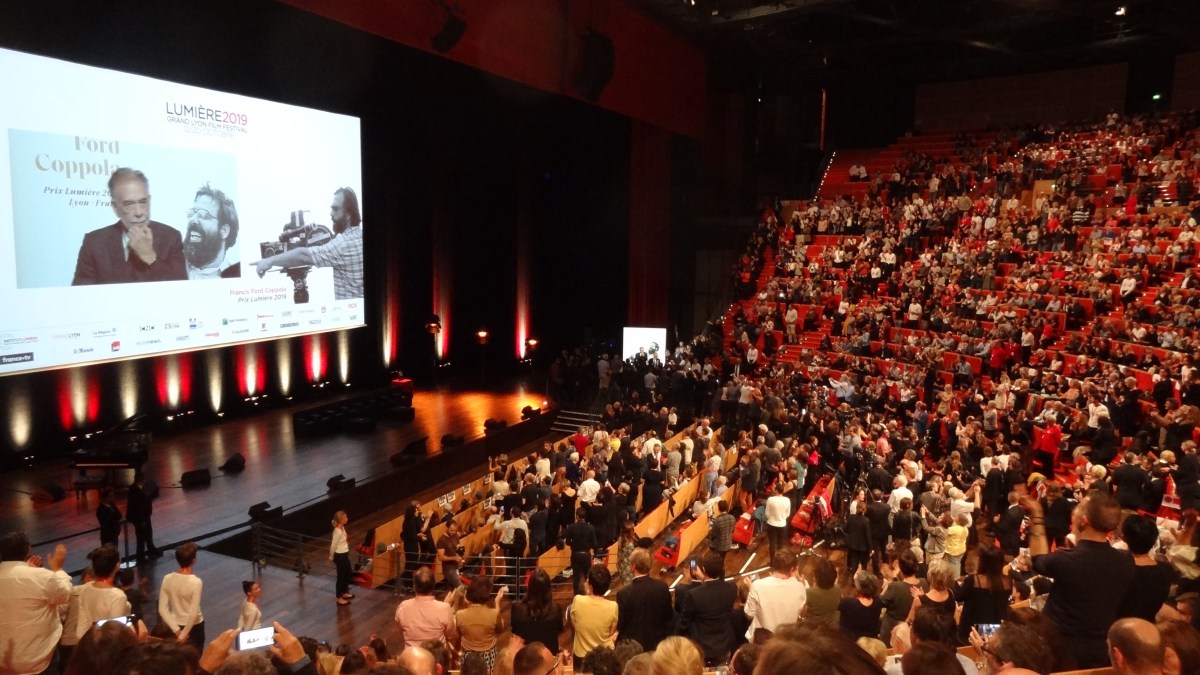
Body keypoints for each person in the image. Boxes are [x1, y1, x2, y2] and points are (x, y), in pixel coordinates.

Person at [1023, 491, 1136, 667]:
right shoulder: (1126, 560)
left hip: (1058, 649)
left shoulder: (1067, 560)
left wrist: (1037, 515)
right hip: (1100, 650)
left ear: (1084, 520)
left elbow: (1037, 559)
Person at [72, 168, 187, 285]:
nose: (139, 212)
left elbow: (181, 289)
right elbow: (80, 293)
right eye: (129, 204)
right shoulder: (94, 243)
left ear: (149, 200)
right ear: (115, 207)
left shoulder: (171, 237)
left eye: (143, 202)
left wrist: (150, 257)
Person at [255, 187, 364, 300]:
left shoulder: (341, 245)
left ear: (348, 214)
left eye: (335, 209)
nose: (331, 213)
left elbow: (304, 255)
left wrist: (269, 261)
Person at [0, 533, 71, 675]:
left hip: (3, 661)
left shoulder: (36, 575)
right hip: (39, 660)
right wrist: (58, 569)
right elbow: (65, 594)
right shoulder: (40, 576)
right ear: (28, 550)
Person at [677, 551, 737, 667]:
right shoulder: (732, 588)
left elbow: (684, 624)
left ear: (703, 570)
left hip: (701, 647)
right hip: (723, 644)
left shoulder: (693, 594)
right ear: (722, 569)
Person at [615, 548, 673, 652]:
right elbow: (669, 616)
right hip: (657, 646)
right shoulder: (662, 587)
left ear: (633, 567)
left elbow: (621, 625)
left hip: (634, 649)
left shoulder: (623, 593)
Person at [744, 549, 806, 639]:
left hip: (761, 638)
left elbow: (749, 614)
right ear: (792, 569)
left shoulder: (757, 585)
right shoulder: (800, 587)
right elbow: (801, 612)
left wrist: (752, 588)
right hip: (785, 638)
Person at [182, 183, 240, 279]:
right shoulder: (172, 266)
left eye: (203, 215)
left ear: (224, 231)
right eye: (191, 213)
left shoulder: (233, 276)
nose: (192, 219)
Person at [75, 545, 132, 640]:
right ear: (117, 566)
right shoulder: (117, 596)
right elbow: (114, 633)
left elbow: (80, 631)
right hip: (110, 647)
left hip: (92, 643)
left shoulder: (85, 589)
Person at [395, 566, 458, 648]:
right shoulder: (445, 608)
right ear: (433, 586)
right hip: (436, 654)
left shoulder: (403, 607)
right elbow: (451, 636)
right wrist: (446, 606)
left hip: (412, 654)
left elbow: (400, 631)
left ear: (414, 586)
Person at [568, 564, 618, 667]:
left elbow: (575, 624)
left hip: (581, 656)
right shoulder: (613, 606)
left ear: (590, 585)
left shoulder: (578, 600)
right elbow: (611, 632)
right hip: (604, 655)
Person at [158, 541, 205, 651]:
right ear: (194, 561)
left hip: (174, 626)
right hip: (194, 628)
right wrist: (183, 636)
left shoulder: (167, 578)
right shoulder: (196, 582)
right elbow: (193, 613)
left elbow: (162, 609)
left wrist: (177, 631)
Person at [454, 575, 505, 671]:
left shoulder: (459, 614)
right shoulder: (494, 614)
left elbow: (458, 636)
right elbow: (500, 629)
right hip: (489, 657)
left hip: (468, 657)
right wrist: (497, 603)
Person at [510, 568, 563, 651]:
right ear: (548, 589)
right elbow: (559, 630)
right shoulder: (556, 610)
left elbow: (514, 630)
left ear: (529, 586)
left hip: (524, 654)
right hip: (548, 654)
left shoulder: (516, 608)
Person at [126, 472, 159, 565]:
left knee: (148, 534)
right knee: (141, 538)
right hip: (139, 517)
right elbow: (136, 506)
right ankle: (140, 556)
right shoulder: (133, 490)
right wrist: (141, 519)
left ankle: (151, 550)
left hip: (145, 515)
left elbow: (147, 498)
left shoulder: (142, 488)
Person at [565, 508, 597, 595]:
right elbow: (594, 543)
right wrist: (587, 545)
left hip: (575, 554)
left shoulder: (571, 527)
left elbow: (567, 542)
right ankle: (589, 593)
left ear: (577, 516)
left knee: (576, 577)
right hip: (586, 554)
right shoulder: (590, 527)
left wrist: (574, 543)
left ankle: (576, 596)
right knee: (588, 576)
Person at [330, 510, 354, 605]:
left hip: (344, 554)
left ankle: (344, 591)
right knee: (341, 576)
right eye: (345, 517)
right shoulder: (338, 532)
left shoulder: (342, 528)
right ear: (341, 520)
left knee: (348, 572)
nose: (347, 518)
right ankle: (339, 597)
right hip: (339, 556)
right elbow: (333, 545)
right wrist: (331, 556)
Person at [436, 519, 465, 589]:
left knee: (455, 589)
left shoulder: (455, 535)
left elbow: (457, 549)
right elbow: (441, 558)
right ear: (447, 528)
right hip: (448, 569)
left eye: (455, 530)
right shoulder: (441, 540)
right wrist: (454, 558)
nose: (453, 532)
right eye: (451, 530)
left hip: (456, 566)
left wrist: (460, 557)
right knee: (460, 587)